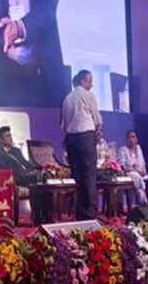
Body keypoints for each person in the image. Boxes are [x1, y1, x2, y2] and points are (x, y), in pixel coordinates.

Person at [61, 69, 103, 220]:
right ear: (83, 81)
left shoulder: (67, 98)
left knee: (78, 177)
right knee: (90, 175)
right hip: (85, 138)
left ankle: (80, 214)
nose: (91, 85)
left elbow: (64, 124)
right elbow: (97, 119)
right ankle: (91, 214)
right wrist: (98, 132)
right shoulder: (88, 95)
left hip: (71, 139)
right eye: (89, 81)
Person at [118, 130, 148, 204]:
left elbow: (143, 164)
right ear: (126, 139)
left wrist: (143, 171)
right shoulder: (123, 150)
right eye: (129, 137)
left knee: (147, 178)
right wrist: (136, 171)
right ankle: (143, 199)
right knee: (135, 175)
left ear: (136, 139)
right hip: (128, 174)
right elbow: (122, 167)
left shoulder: (139, 149)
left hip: (140, 175)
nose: (131, 139)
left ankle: (147, 198)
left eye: (133, 137)